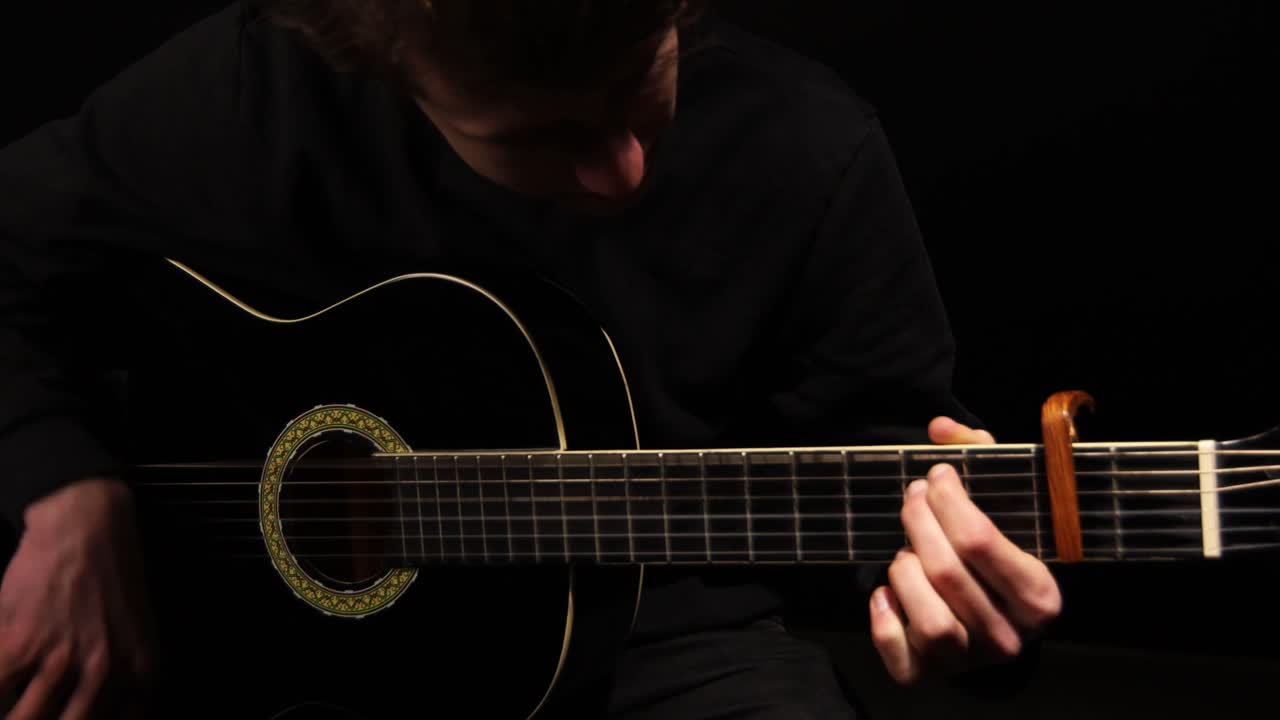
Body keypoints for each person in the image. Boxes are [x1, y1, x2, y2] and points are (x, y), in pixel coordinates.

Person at [0, 1, 1062, 717]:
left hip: (662, 647)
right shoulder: (257, 96)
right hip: (241, 649)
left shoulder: (813, 148)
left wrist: (947, 598)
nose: (620, 170)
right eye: (537, 137)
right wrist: (64, 482)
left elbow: (890, 456)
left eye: (639, 82)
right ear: (393, 74)